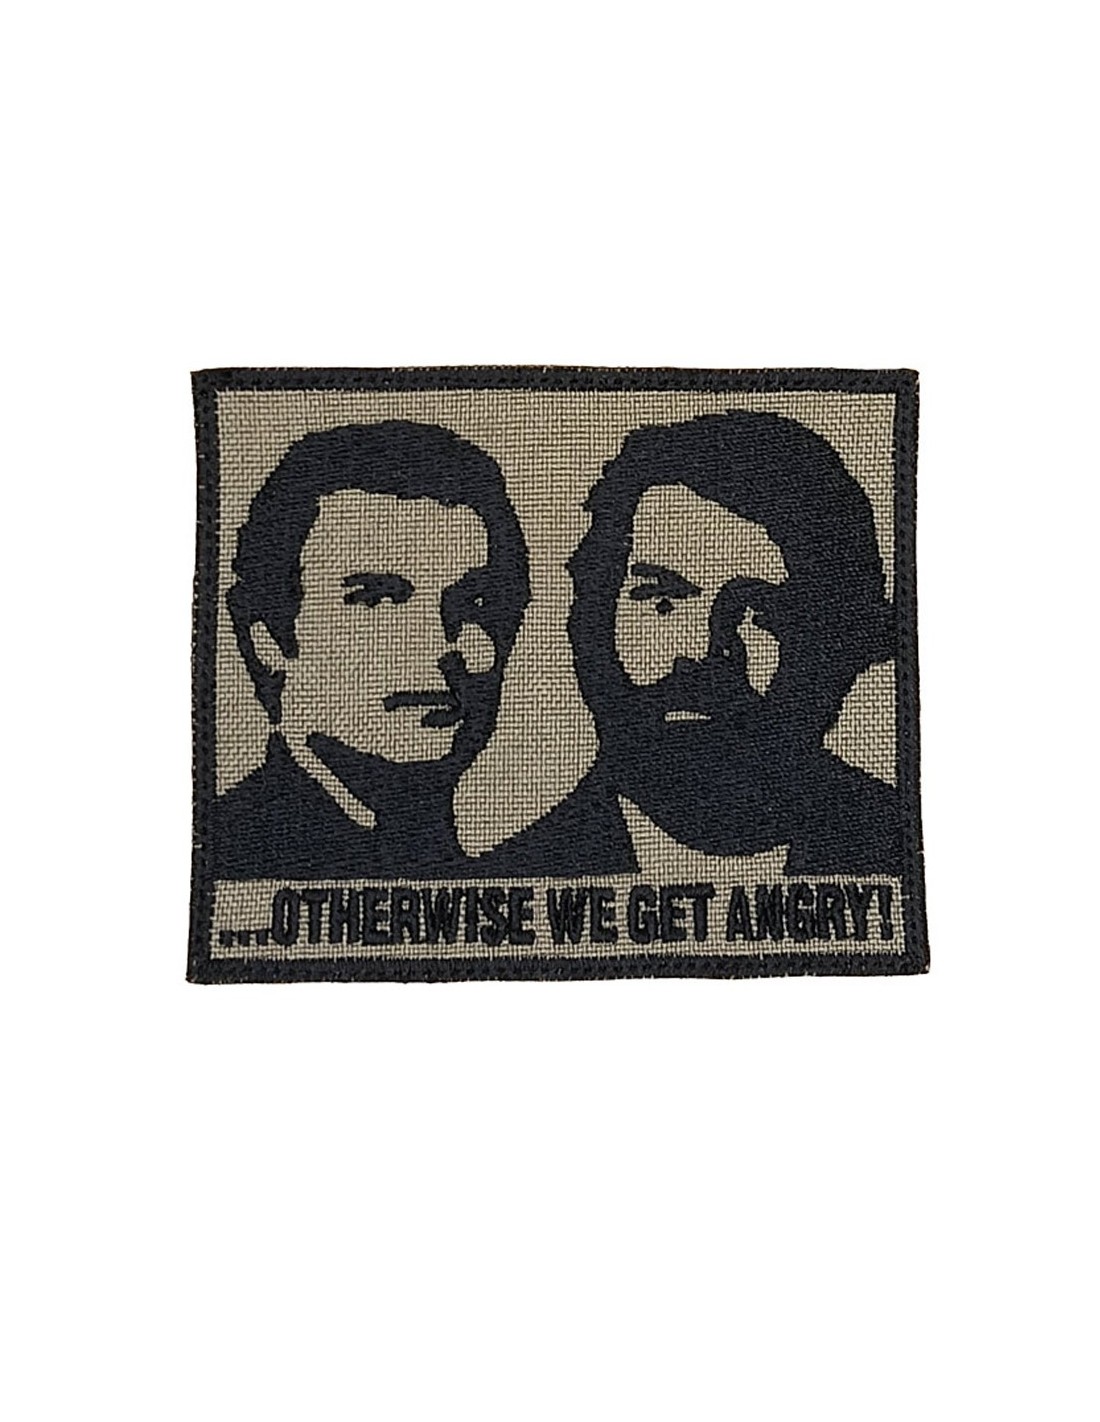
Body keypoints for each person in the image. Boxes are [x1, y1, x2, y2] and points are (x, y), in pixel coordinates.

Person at [494, 410, 901, 876]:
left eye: (758, 615)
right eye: (659, 599)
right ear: (591, 614)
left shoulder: (891, 848)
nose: (697, 651)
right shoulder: (520, 875)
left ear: (835, 641)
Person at [215, 421, 530, 878]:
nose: (441, 643)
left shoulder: (537, 856)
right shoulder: (236, 855)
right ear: (268, 639)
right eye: (378, 599)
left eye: (476, 602)